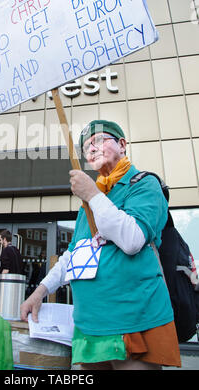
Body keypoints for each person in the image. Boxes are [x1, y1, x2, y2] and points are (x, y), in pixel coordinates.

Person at [21, 119, 181, 370]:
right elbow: (73, 254)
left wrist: (92, 195)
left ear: (122, 145)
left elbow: (133, 239)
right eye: (86, 147)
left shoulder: (143, 184)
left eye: (98, 140)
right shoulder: (91, 202)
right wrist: (40, 291)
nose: (91, 149)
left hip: (132, 320)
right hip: (88, 325)